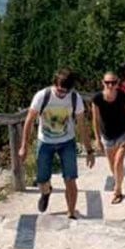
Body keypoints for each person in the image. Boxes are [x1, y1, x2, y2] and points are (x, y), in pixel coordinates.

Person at [19, 69, 95, 219]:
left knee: (70, 179)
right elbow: (28, 121)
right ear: (54, 84)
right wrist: (24, 146)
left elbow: (82, 125)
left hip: (67, 142)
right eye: (59, 90)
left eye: (65, 92)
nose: (61, 94)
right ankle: (46, 192)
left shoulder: (75, 98)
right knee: (41, 179)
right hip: (45, 141)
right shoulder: (42, 96)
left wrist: (89, 150)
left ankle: (71, 213)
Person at [91, 72, 125, 204]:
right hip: (107, 136)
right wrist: (97, 139)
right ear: (102, 83)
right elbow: (95, 119)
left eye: (113, 82)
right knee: (112, 165)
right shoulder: (97, 99)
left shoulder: (124, 97)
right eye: (107, 82)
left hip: (122, 134)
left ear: (117, 83)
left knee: (118, 163)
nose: (110, 85)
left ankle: (118, 190)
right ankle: (118, 182)